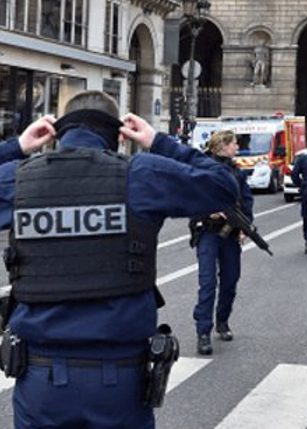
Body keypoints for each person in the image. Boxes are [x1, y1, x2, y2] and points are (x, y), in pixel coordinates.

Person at [0, 91, 240, 429]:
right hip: (119, 381)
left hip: (41, 380)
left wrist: (16, 147)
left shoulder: (19, 178)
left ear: (57, 132)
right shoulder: (140, 174)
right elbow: (223, 187)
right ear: (119, 136)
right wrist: (159, 142)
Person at [190, 130, 253, 356]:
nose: (237, 147)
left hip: (231, 234)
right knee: (207, 283)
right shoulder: (202, 168)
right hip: (207, 231)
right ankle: (203, 332)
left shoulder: (237, 172)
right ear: (223, 145)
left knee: (230, 280)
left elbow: (246, 201)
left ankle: (222, 320)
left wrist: (246, 226)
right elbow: (190, 198)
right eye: (234, 143)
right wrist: (211, 212)